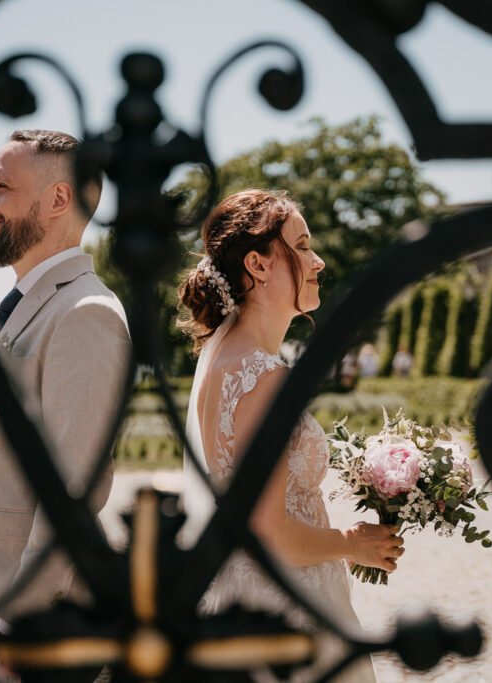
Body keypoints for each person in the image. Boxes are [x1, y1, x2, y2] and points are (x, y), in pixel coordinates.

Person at [0, 130, 132, 675]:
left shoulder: (86, 314)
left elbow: (71, 494)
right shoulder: (17, 306)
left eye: (1, 187)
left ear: (58, 200)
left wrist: (14, 627)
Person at [178, 189, 402, 682]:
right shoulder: (262, 377)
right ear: (258, 265)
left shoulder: (223, 358)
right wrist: (354, 543)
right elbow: (271, 535)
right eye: (301, 246)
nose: (317, 260)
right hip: (285, 610)